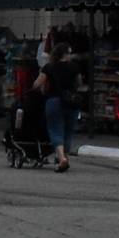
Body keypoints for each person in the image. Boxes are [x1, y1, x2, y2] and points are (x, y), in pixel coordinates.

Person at [37, 42, 83, 173]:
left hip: (54, 101)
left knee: (55, 129)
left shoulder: (49, 67)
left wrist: (41, 89)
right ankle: (64, 157)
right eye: (69, 53)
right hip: (71, 102)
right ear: (65, 54)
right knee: (68, 131)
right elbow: (79, 82)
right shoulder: (75, 67)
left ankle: (61, 157)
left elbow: (37, 83)